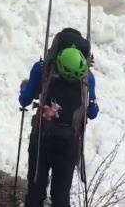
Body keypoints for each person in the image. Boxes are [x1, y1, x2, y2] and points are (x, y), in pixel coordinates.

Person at [19, 28, 99, 207]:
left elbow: (24, 101)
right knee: (61, 194)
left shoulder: (42, 69)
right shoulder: (87, 78)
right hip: (70, 144)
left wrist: (24, 88)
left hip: (42, 140)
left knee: (36, 187)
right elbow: (92, 113)